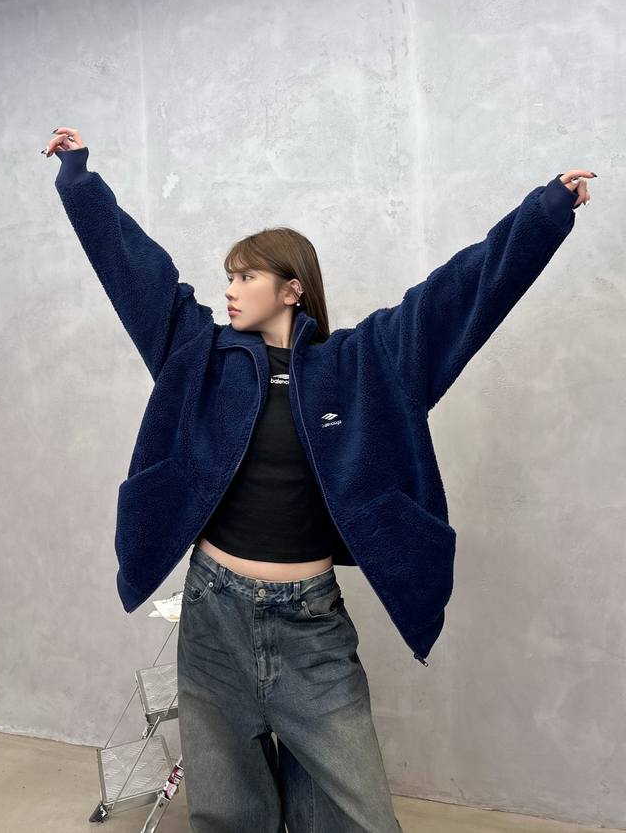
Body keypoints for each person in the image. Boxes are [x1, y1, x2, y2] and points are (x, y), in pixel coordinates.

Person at [45, 127, 594, 833]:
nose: (230, 289)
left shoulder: (363, 365)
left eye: (246, 276)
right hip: (212, 619)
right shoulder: (198, 355)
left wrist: (544, 213)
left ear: (292, 288)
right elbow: (134, 269)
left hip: (311, 628)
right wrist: (78, 180)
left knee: (358, 821)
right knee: (229, 817)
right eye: (228, 276)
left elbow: (460, 296)